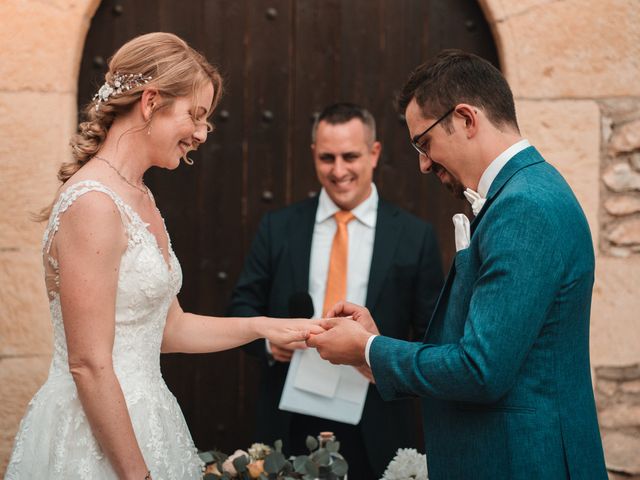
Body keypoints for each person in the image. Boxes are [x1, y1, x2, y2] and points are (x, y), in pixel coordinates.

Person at [5, 32, 322, 480]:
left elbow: (170, 329)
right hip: (94, 440)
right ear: (151, 101)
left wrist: (263, 327)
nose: (201, 133)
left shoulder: (142, 198)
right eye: (194, 115)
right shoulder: (93, 202)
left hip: (148, 420)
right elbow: (90, 365)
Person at [308, 50, 608, 479]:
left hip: (522, 463)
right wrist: (374, 351)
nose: (424, 163)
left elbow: (481, 369)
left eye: (424, 142)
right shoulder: (526, 191)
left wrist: (369, 349)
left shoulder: (524, 206)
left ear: (466, 119)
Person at [228, 102, 443, 479]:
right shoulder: (279, 226)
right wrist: (267, 342)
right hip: (289, 422)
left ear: (374, 154)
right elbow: (241, 307)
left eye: (350, 156)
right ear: (314, 155)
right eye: (327, 158)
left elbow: (431, 336)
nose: (338, 170)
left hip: (377, 422)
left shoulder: (414, 236)